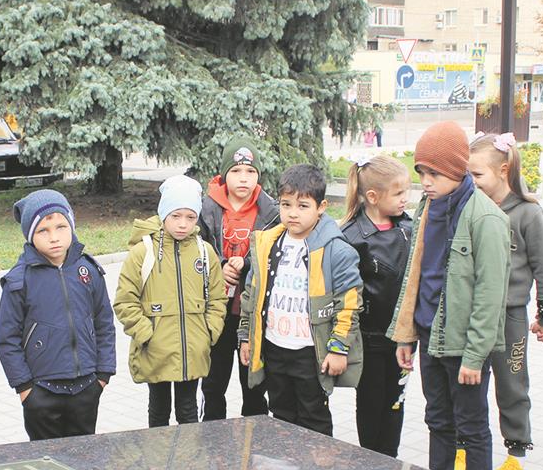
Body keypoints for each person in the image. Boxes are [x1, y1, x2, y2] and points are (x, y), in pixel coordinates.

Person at [388, 121, 510, 470]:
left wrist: (475, 355)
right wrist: (406, 335)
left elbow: (490, 295)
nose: (425, 181)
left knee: (471, 428)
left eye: (434, 173)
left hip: (464, 345)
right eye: (421, 171)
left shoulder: (486, 218)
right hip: (429, 337)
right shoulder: (429, 207)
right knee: (437, 419)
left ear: (458, 169)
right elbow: (415, 277)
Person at [238, 164, 362, 437]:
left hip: (310, 353)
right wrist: (246, 336)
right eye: (286, 204)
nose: (292, 213)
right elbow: (251, 294)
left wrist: (339, 348)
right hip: (274, 348)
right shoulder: (267, 244)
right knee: (281, 415)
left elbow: (349, 303)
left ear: (321, 207)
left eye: (303, 206)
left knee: (313, 417)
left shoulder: (335, 250)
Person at [468, 132, 543, 470]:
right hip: (477, 316)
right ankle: (466, 445)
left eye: (477, 175)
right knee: (470, 380)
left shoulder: (528, 213)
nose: (470, 183)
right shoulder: (473, 209)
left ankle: (515, 456)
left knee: (511, 385)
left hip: (511, 318)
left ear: (503, 170)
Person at [0, 189, 116, 441]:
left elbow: (104, 323)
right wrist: (25, 388)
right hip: (41, 391)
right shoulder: (20, 279)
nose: (54, 237)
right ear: (30, 235)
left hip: (86, 387)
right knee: (47, 463)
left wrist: (103, 375)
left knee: (85, 459)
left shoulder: (88, 270)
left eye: (61, 227)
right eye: (43, 230)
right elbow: (6, 338)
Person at [114, 176, 226, 427]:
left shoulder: (204, 252)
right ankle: (158, 463)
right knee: (158, 411)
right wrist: (146, 333)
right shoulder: (142, 253)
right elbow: (124, 301)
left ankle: (188, 463)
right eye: (175, 216)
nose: (183, 224)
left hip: (193, 350)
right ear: (163, 213)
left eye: (190, 217)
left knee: (188, 412)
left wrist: (209, 332)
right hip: (156, 350)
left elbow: (218, 298)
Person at [198, 137, 279, 420]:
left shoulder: (271, 211)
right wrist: (218, 267)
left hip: (252, 314)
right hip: (218, 313)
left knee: (254, 386)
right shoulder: (206, 210)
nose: (243, 179)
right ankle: (212, 445)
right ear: (223, 175)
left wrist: (245, 264)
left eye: (250, 172)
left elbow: (275, 256)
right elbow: (197, 251)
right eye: (236, 171)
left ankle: (254, 448)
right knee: (212, 385)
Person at [339, 153, 413, 457]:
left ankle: (390, 460)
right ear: (372, 196)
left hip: (402, 339)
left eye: (407, 192)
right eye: (398, 193)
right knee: (370, 403)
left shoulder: (409, 228)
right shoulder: (350, 236)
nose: (405, 199)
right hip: (368, 340)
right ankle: (370, 461)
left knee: (395, 401)